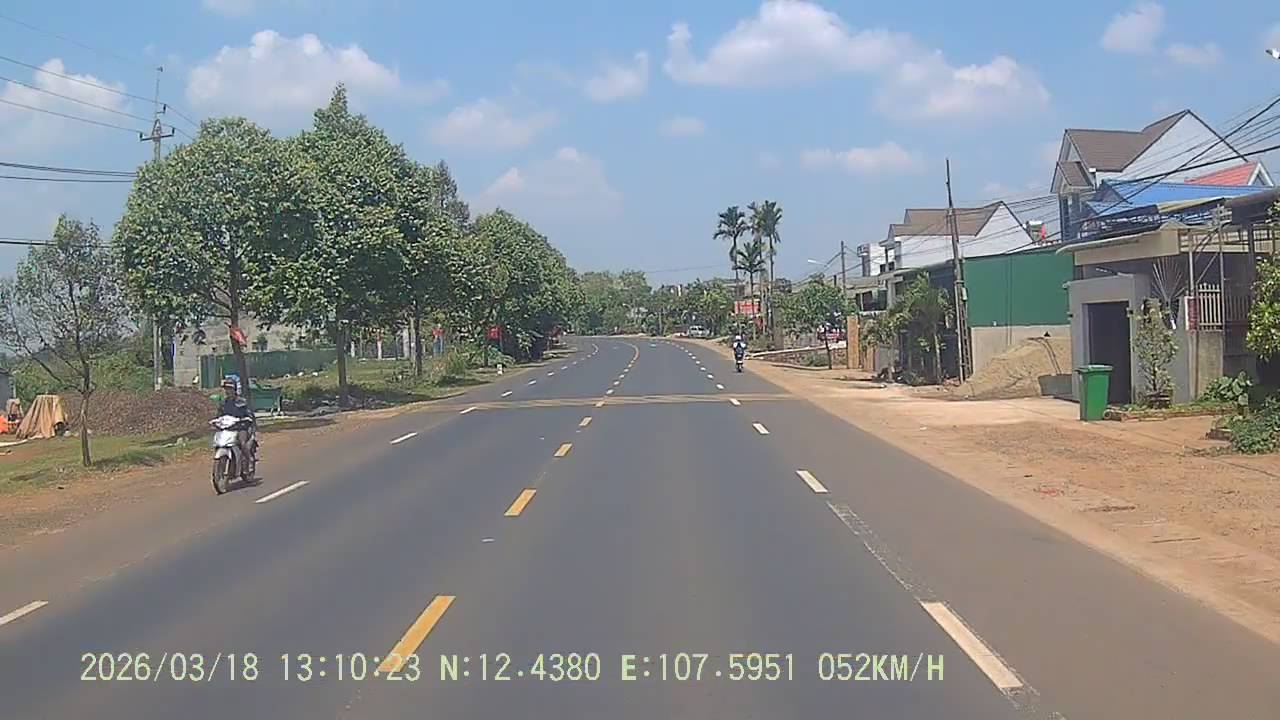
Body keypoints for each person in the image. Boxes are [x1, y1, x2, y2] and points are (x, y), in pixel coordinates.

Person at [218, 377, 259, 463]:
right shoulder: (223, 403)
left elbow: (250, 415)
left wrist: (247, 420)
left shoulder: (242, 402)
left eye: (230, 388)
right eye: (226, 389)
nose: (228, 391)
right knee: (219, 443)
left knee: (242, 443)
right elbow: (219, 416)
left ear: (235, 389)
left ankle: (250, 460)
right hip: (228, 429)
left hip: (241, 428)